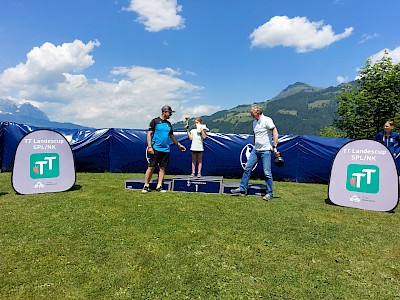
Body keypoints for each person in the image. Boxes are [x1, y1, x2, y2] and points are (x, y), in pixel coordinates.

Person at [231, 104, 280, 201]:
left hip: (266, 150)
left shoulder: (267, 120)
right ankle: (242, 189)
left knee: (267, 173)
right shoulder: (254, 122)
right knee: (247, 168)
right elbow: (255, 135)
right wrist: (254, 145)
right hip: (255, 150)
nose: (250, 112)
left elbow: (275, 132)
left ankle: (269, 193)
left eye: (252, 110)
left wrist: (274, 147)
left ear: (257, 111)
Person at [142, 105, 186, 193]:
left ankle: (159, 186)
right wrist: (150, 147)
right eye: (170, 113)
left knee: (162, 168)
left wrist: (179, 145)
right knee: (151, 167)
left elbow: (171, 136)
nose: (170, 115)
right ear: (164, 112)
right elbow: (149, 134)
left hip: (166, 150)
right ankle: (146, 186)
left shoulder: (168, 124)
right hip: (155, 148)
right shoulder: (155, 121)